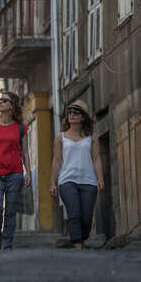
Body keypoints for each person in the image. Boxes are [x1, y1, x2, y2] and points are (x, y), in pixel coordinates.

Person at [0, 91, 32, 250]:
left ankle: (7, 242)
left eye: (4, 100)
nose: (0, 102)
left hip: (15, 174)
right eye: (0, 100)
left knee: (10, 210)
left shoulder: (21, 128)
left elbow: (25, 152)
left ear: (12, 106)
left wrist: (28, 172)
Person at [49, 99, 104, 249]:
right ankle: (77, 245)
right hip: (67, 181)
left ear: (83, 117)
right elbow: (57, 160)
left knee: (86, 218)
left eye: (76, 112)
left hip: (89, 181)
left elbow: (97, 158)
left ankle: (81, 238)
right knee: (74, 213)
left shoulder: (92, 137)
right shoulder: (60, 138)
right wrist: (52, 182)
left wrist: (100, 178)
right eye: (70, 112)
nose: (72, 114)